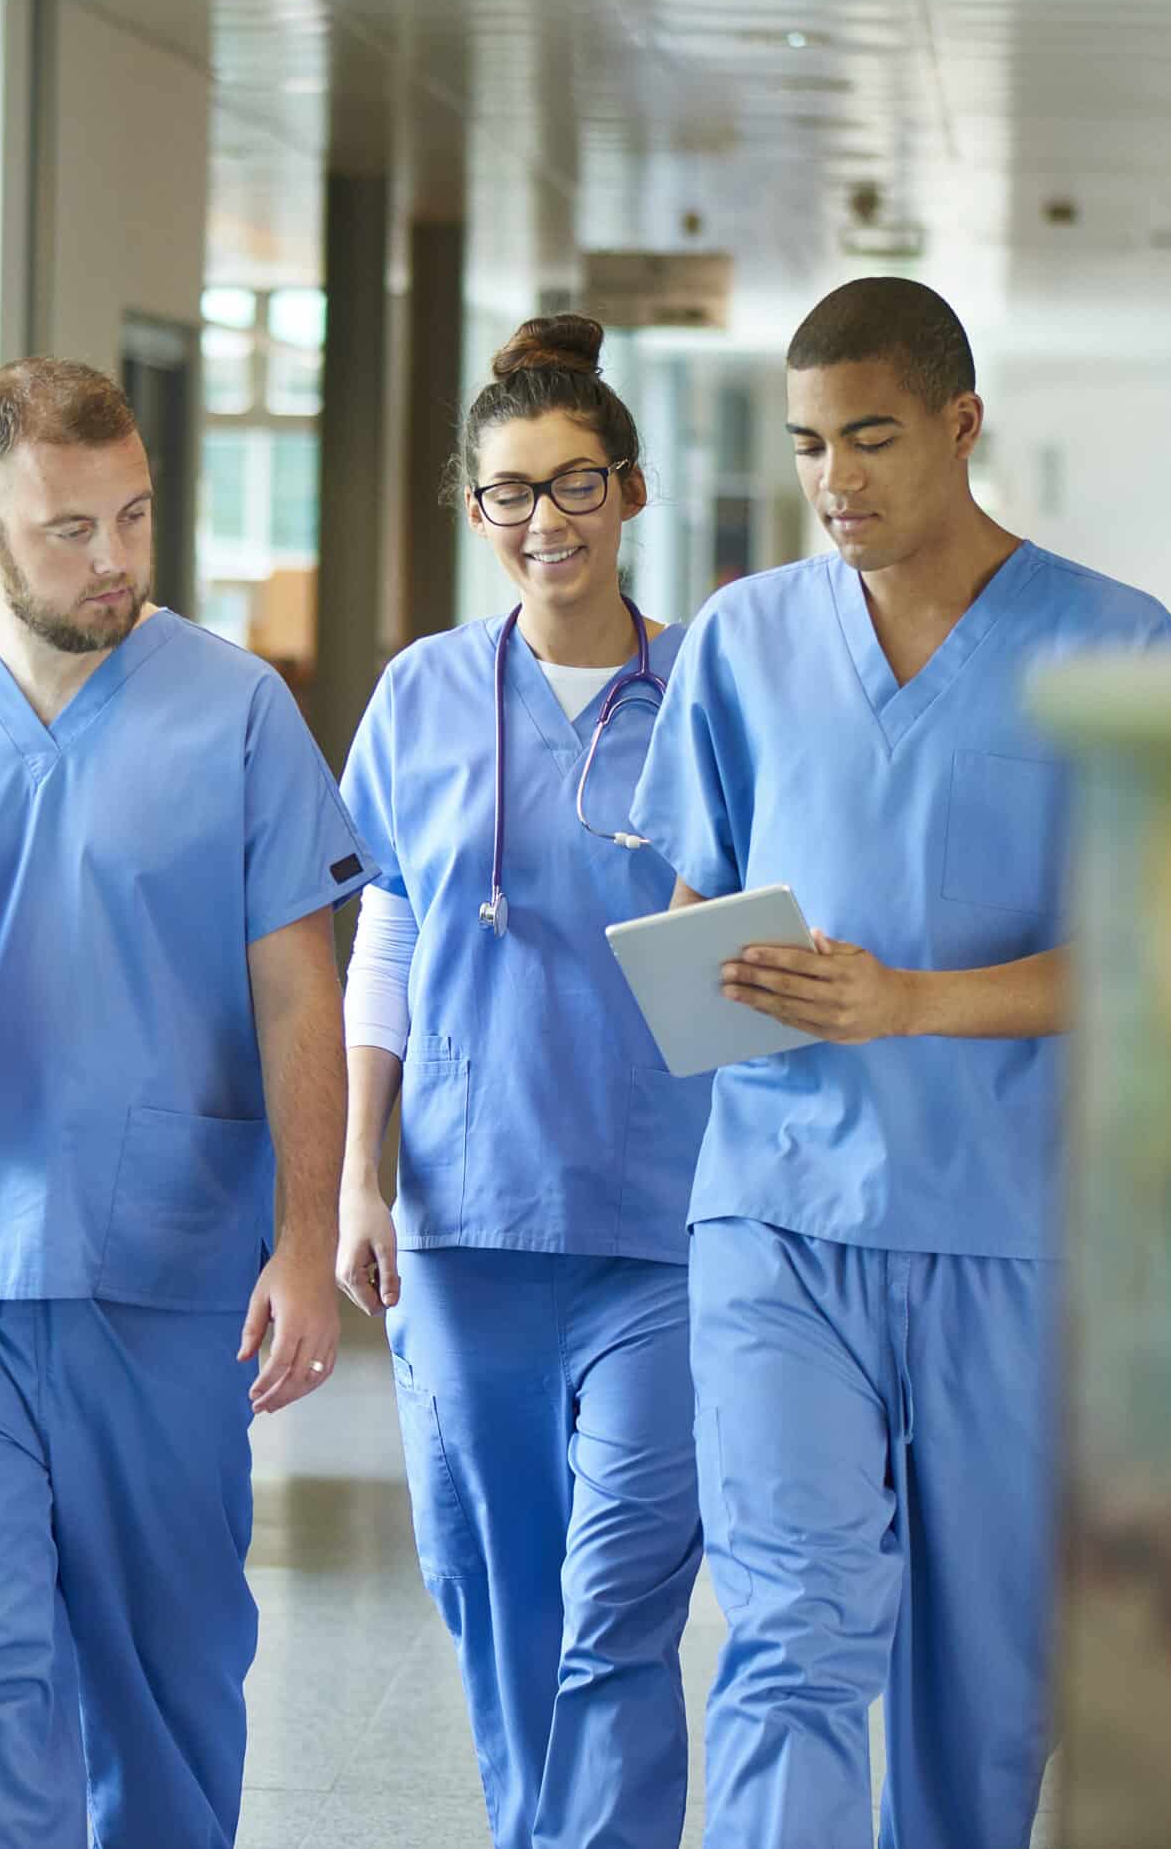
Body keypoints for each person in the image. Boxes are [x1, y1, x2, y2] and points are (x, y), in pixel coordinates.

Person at [629, 278, 1171, 1849]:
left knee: (982, 1690)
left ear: (961, 425)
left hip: (1007, 1232)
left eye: (870, 438)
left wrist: (912, 1004)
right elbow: (701, 899)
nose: (836, 481)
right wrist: (701, 979)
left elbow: (1152, 958)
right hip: (777, 1219)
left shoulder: (1116, 646)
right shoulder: (745, 638)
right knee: (792, 1634)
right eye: (809, 444)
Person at [0, 357, 367, 1849]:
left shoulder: (235, 709)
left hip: (166, 1262)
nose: (114, 561)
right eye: (71, 530)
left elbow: (305, 992)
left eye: (137, 518)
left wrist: (306, 1248)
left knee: (164, 1678)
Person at [332, 314, 709, 1849]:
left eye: (575, 484)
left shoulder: (708, 690)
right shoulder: (421, 693)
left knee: (624, 1580)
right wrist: (361, 1174)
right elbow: (391, 930)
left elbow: (756, 916)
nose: (543, 520)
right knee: (493, 1579)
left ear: (629, 493)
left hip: (668, 1210)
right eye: (509, 491)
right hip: (470, 1208)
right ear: (471, 506)